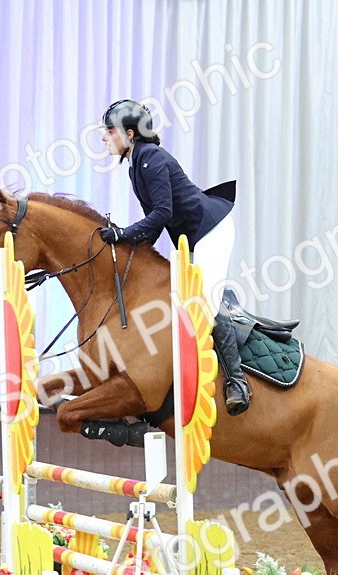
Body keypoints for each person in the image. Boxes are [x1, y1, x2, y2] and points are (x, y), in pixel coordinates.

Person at [98, 99, 251, 416]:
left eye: (109, 131)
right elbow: (154, 225)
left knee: (203, 303)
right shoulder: (137, 164)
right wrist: (130, 255)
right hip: (192, 235)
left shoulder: (150, 159)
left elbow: (162, 213)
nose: (104, 138)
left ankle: (237, 383)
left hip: (212, 230)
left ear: (129, 133)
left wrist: (124, 234)